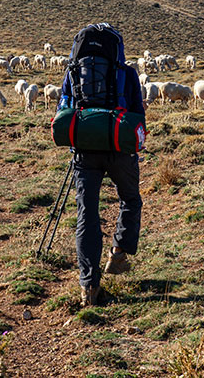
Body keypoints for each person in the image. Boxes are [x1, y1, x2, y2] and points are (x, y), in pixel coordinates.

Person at [58, 23, 145, 306]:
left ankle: (89, 287)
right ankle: (118, 253)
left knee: (87, 214)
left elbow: (64, 108)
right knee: (130, 199)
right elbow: (138, 112)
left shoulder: (73, 72)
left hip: (85, 151)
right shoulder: (127, 73)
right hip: (120, 147)